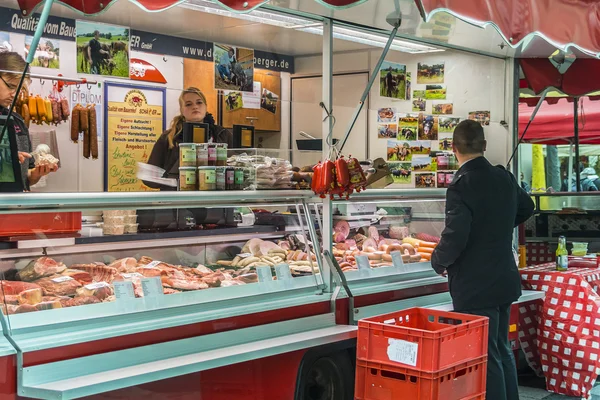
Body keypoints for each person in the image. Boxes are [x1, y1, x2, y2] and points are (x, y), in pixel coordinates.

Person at [431, 120, 534, 400]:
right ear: (484, 146)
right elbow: (528, 207)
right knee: (501, 348)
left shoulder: (461, 186)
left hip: (476, 285)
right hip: (503, 278)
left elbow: (455, 236)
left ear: (453, 149)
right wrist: (500, 226)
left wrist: (438, 261)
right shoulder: (504, 177)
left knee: (486, 354)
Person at [144, 87, 232, 191]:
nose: (195, 107)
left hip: (215, 199)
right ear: (182, 110)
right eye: (188, 104)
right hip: (177, 201)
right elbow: (149, 180)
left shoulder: (223, 134)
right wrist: (170, 181)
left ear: (205, 106)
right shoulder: (168, 137)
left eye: (199, 102)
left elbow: (238, 167)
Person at [0, 52, 57, 191]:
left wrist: (36, 174)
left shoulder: (17, 122)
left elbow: (27, 177)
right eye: (11, 86)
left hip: (14, 207)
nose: (14, 94)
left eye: (18, 89)